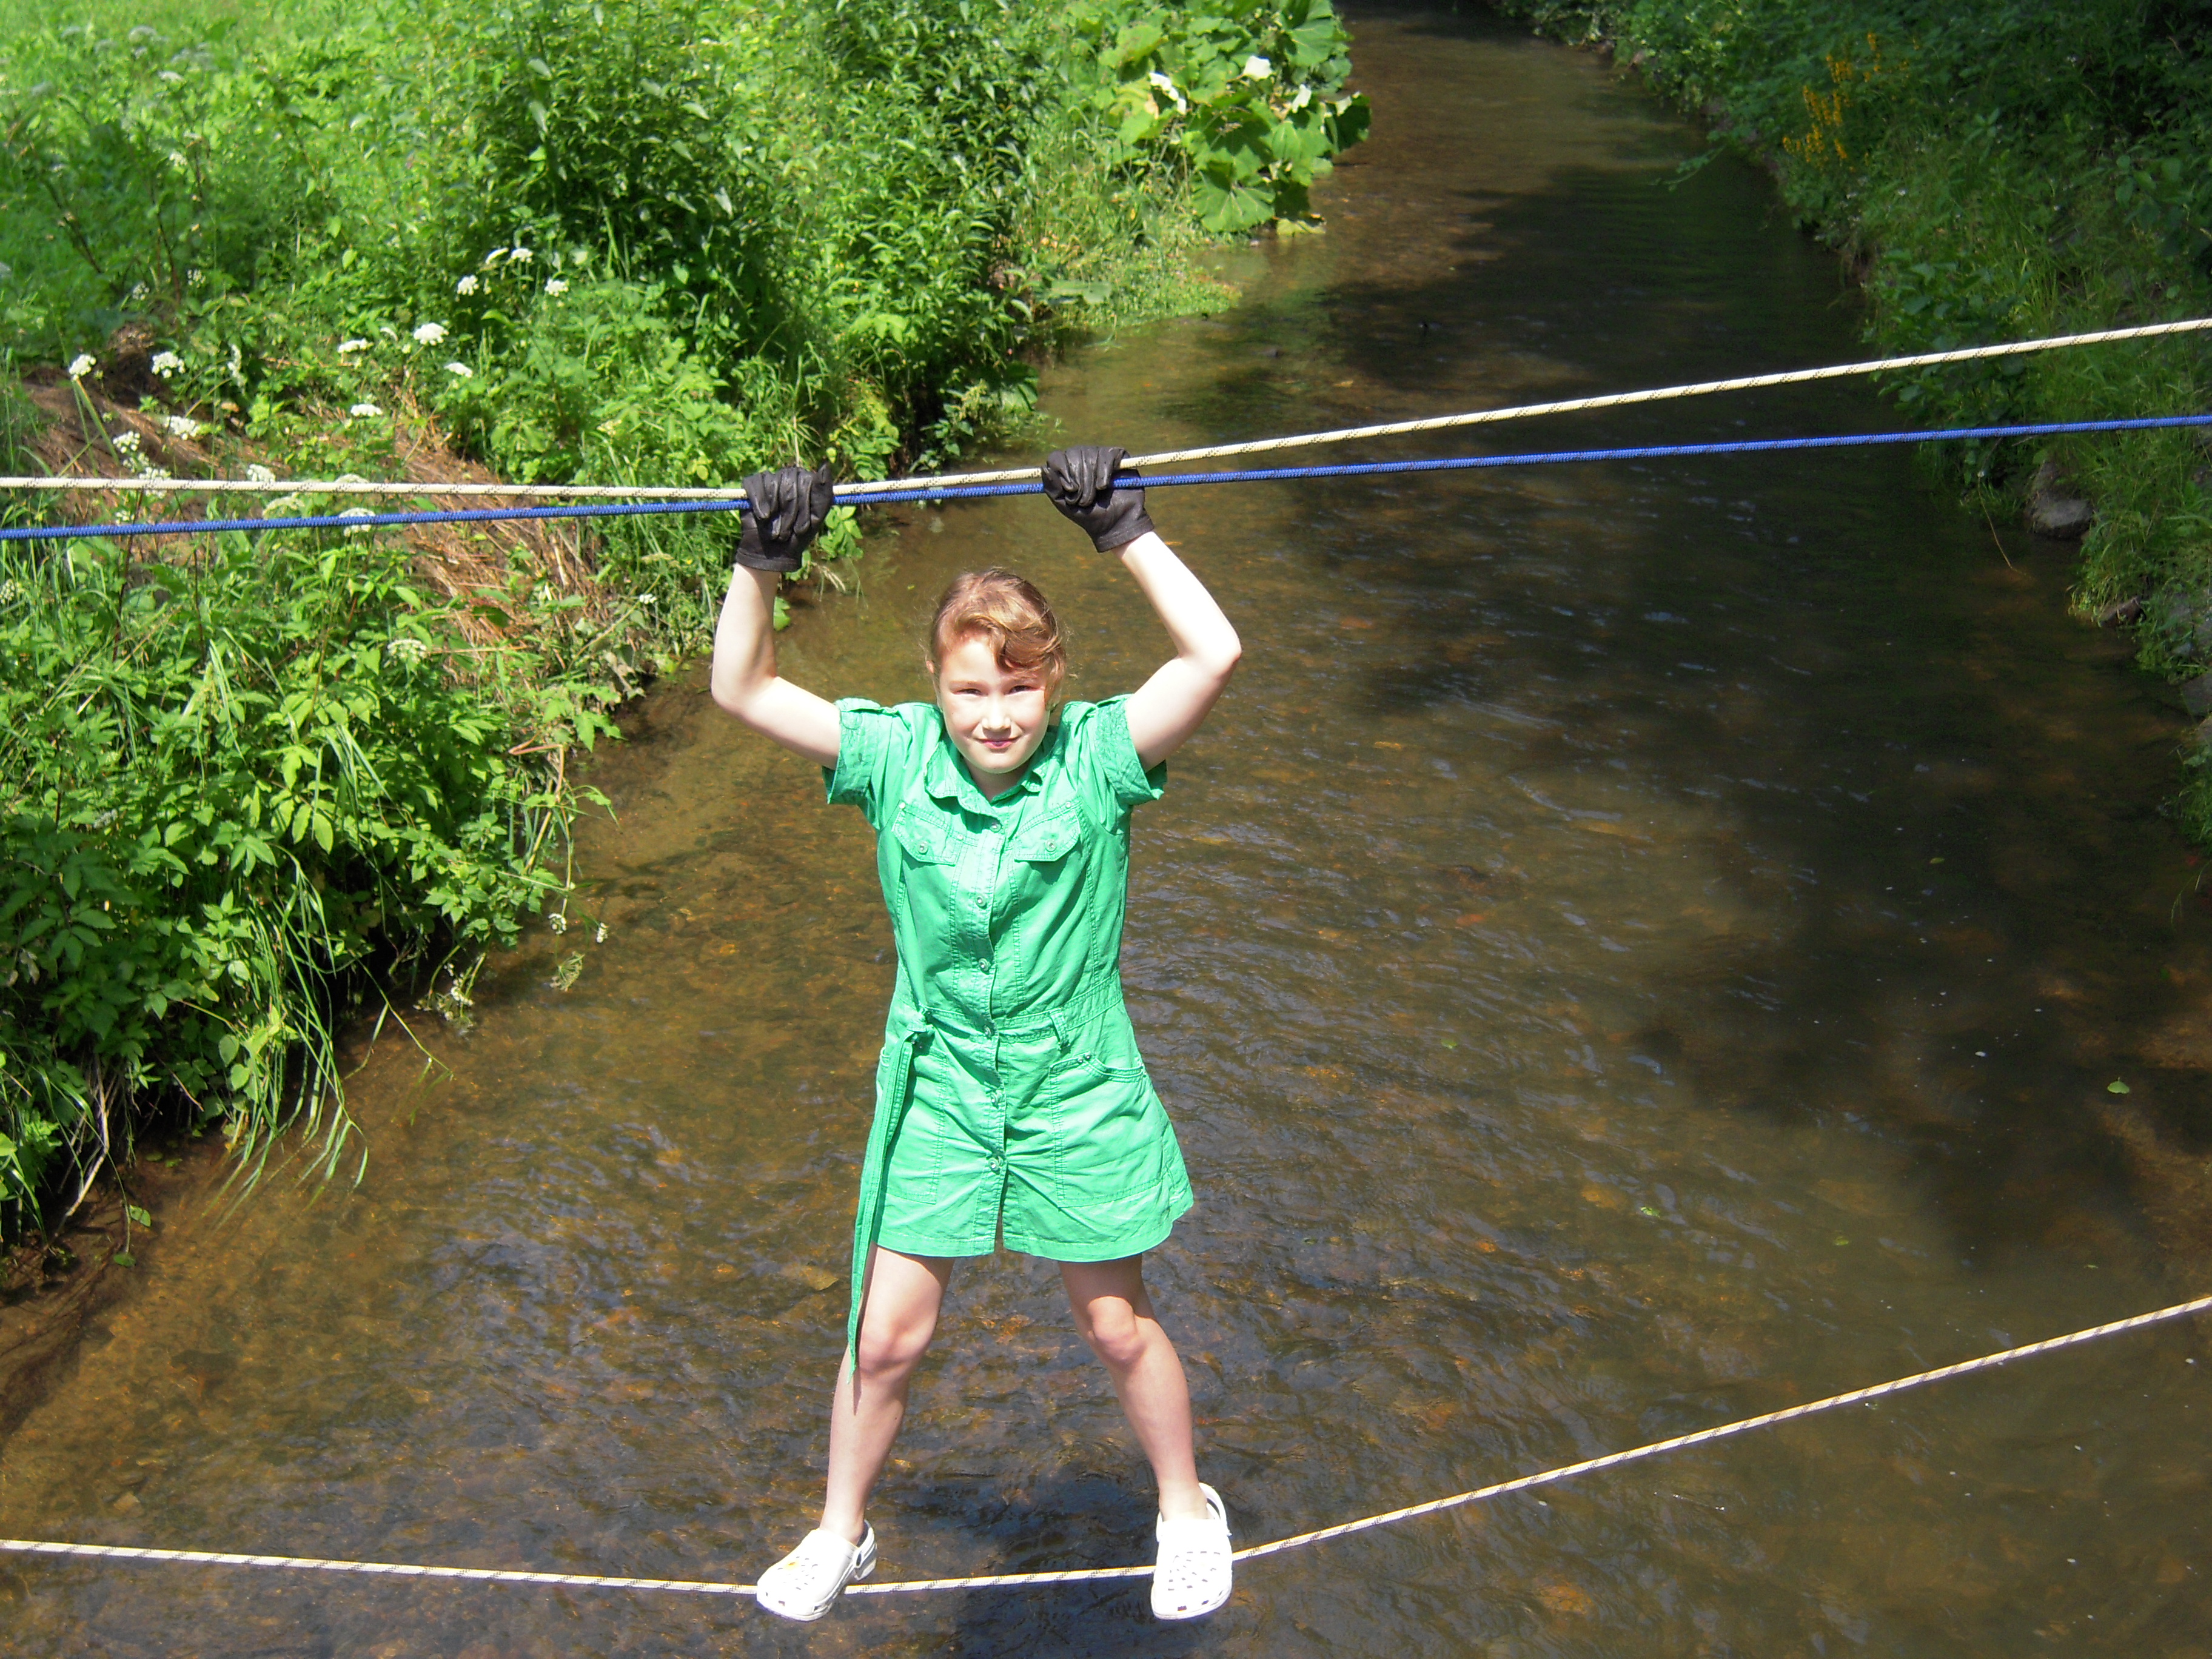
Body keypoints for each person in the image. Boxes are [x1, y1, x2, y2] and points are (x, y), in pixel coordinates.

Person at [707, 446, 1244, 1623]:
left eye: (1018, 688)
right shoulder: (894, 758)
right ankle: (842, 1533)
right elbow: (742, 689)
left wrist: (1125, 532)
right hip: (939, 1089)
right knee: (885, 1338)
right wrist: (761, 559)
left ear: (1054, 684)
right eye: (969, 691)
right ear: (934, 687)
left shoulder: (1101, 757)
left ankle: (1187, 1511)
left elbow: (1215, 655)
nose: (995, 717)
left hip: (1075, 1085)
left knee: (1115, 1325)